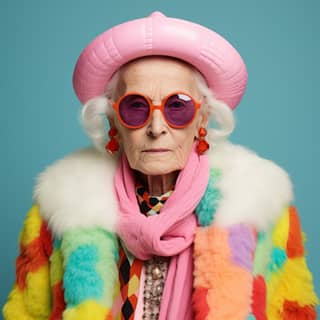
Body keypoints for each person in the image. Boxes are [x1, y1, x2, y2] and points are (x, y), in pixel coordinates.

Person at [2, 11, 318, 320]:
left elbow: (293, 311)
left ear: (202, 119)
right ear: (113, 121)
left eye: (177, 106)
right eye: (136, 108)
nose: (156, 127)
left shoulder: (256, 212)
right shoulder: (64, 211)